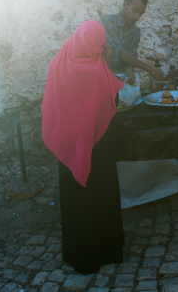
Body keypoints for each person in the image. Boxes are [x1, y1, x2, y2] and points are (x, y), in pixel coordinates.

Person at [41, 20, 125, 275]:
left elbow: (51, 103)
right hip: (96, 146)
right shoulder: (96, 68)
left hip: (69, 144)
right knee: (100, 195)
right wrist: (108, 64)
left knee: (75, 199)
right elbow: (113, 100)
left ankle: (77, 254)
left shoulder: (59, 61)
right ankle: (106, 250)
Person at [100, 0, 163, 85]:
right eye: (134, 11)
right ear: (125, 5)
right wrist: (149, 69)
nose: (137, 17)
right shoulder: (107, 22)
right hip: (101, 78)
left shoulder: (135, 32)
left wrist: (130, 68)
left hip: (121, 82)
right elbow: (118, 50)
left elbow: (132, 55)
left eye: (141, 14)